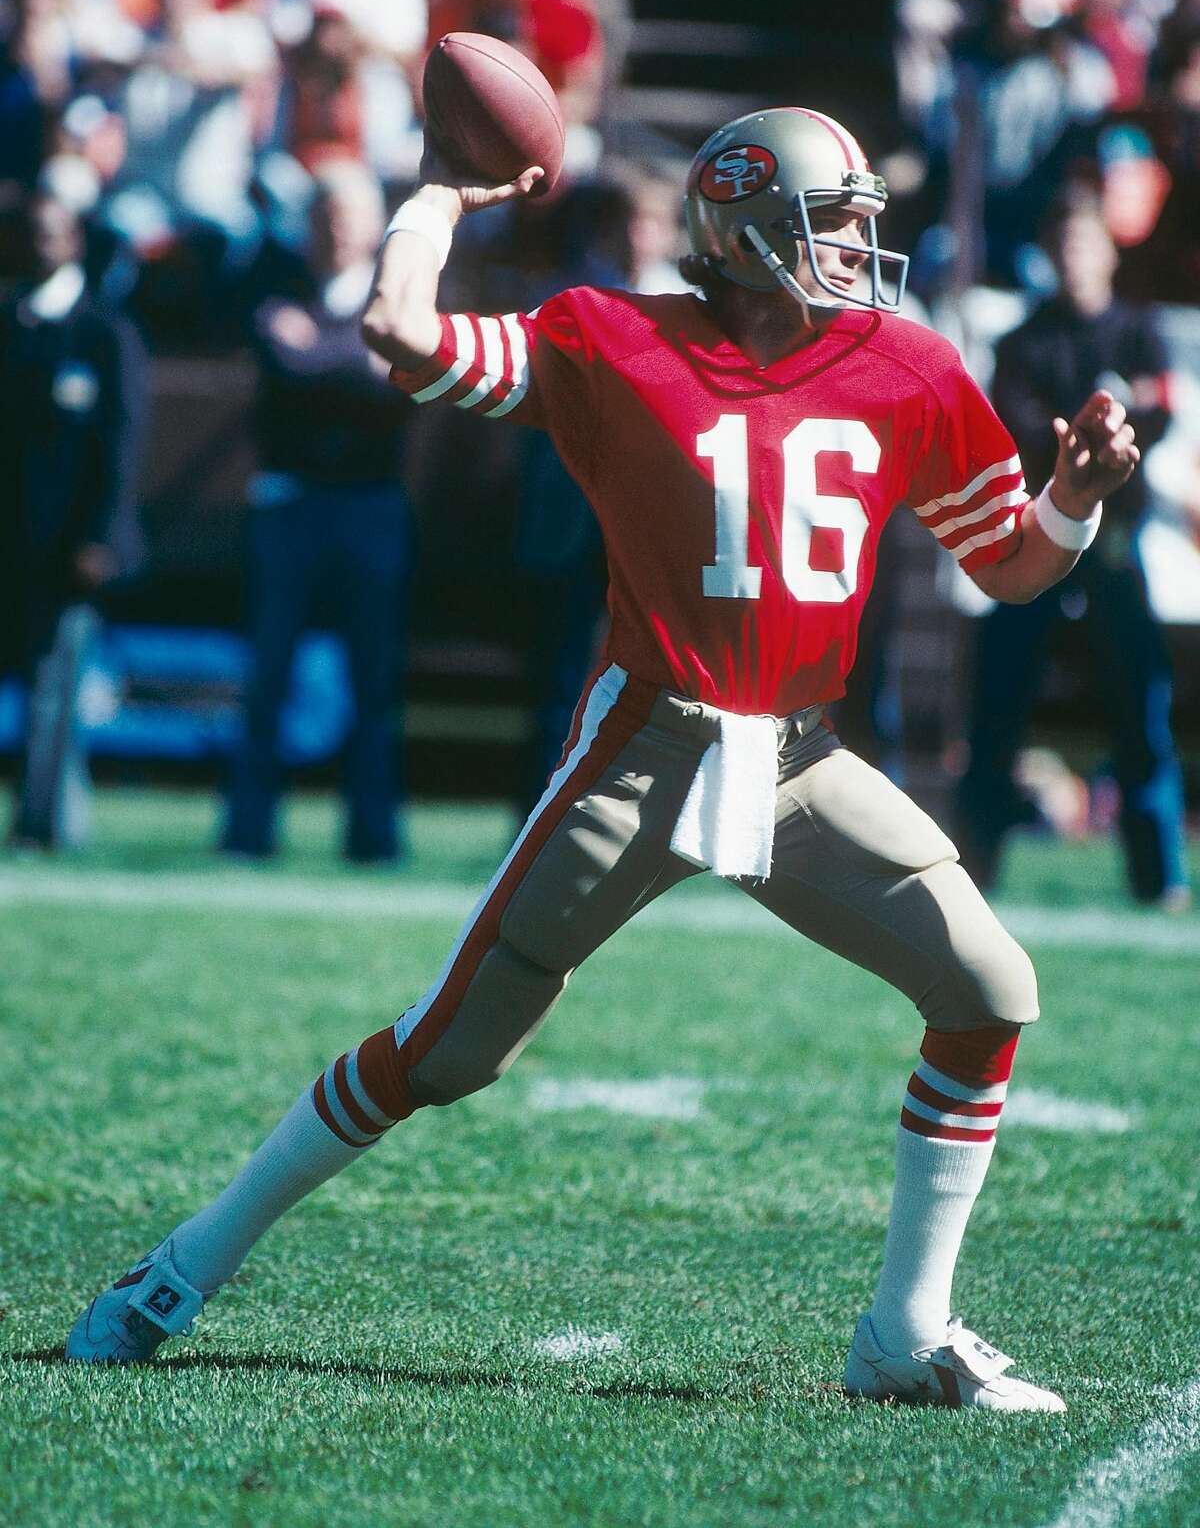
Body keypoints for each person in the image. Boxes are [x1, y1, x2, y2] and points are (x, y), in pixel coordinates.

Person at [67, 106, 1140, 1411]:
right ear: (745, 231)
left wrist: (1074, 499)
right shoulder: (613, 336)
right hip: (648, 747)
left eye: (865, 218)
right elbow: (403, 339)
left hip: (799, 757)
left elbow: (1007, 564)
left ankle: (905, 1332)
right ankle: (177, 1265)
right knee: (447, 1051)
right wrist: (441, 200)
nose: (862, 245)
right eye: (833, 221)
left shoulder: (905, 364)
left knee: (989, 983)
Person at [955, 191, 1187, 908]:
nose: (1074, 258)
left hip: (1115, 546)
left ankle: (1160, 877)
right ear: (1049, 256)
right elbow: (1023, 429)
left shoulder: (1139, 332)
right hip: (1043, 540)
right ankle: (974, 863)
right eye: (1063, 245)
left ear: (1108, 252)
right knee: (998, 702)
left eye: (1086, 243)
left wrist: (1102, 430)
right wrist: (1097, 426)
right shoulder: (1024, 341)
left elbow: (1157, 413)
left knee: (1141, 709)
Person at [222, 160, 412, 864]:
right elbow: (290, 364)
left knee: (374, 681)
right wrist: (355, 358)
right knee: (266, 676)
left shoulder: (399, 298)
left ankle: (372, 839)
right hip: (291, 506)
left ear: (372, 229)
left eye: (350, 216)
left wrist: (324, 351)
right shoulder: (277, 293)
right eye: (325, 215)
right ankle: (247, 835)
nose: (337, 230)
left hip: (369, 509)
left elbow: (394, 386)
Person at [0, 185, 146, 848]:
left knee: (56, 685)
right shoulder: (11, 322)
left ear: (75, 242)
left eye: (51, 232)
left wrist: (99, 536)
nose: (39, 244)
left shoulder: (102, 332)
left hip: (65, 546)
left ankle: (46, 821)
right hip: (11, 540)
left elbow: (119, 443)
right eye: (29, 231)